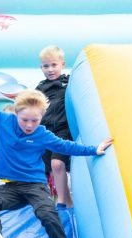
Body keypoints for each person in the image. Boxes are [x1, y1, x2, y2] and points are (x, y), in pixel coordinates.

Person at [0, 71, 113, 238]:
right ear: (16, 114)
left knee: (48, 213)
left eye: (35, 120)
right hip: (7, 187)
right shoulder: (2, 122)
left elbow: (66, 146)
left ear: (41, 117)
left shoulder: (42, 133)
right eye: (25, 120)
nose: (29, 125)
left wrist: (94, 149)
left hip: (34, 186)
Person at [36, 46, 74, 208]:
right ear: (41, 67)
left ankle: (61, 200)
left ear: (62, 64)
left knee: (57, 164)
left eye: (54, 65)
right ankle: (67, 201)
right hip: (45, 132)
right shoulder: (40, 88)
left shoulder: (69, 83)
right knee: (51, 169)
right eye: (46, 66)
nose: (50, 69)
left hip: (62, 130)